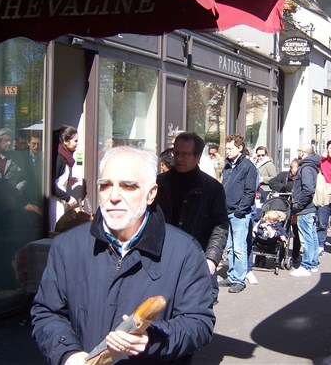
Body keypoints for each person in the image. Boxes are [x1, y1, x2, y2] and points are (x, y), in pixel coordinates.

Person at [31, 146, 215, 365]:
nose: (114, 196)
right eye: (106, 185)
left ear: (151, 194)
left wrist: (151, 339)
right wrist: (68, 353)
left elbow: (198, 323)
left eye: (128, 186)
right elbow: (47, 312)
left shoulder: (185, 252)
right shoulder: (67, 246)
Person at [155, 132, 228, 306]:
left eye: (184, 154)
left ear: (196, 157)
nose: (178, 158)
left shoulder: (212, 188)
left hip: (196, 258)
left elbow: (220, 226)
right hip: (162, 258)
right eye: (176, 153)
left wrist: (211, 258)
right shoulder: (159, 183)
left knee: (194, 310)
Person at [219, 134, 258, 294]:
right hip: (226, 211)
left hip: (239, 213)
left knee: (239, 248)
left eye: (230, 148)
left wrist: (241, 210)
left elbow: (250, 191)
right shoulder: (228, 165)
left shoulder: (248, 166)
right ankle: (232, 275)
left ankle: (239, 279)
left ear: (240, 148)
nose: (227, 151)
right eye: (226, 148)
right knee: (230, 247)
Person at [289, 143, 321, 277]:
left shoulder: (306, 167)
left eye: (298, 150)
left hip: (305, 208)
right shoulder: (313, 165)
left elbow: (308, 189)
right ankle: (313, 263)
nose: (298, 153)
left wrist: (298, 205)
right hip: (310, 207)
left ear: (303, 152)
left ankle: (306, 265)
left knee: (306, 238)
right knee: (312, 236)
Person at [269, 158, 301, 260]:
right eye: (292, 168)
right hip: (284, 206)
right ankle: (280, 251)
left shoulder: (300, 178)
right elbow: (272, 182)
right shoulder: (284, 175)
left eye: (296, 168)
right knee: (282, 228)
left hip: (296, 207)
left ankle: (295, 254)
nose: (293, 170)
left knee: (296, 231)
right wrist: (284, 187)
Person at [51, 125, 79, 229]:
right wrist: (68, 198)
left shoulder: (63, 158)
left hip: (58, 201)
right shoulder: (59, 159)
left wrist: (67, 181)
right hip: (54, 203)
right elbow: (50, 185)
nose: (77, 143)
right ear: (66, 141)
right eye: (75, 141)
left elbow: (57, 180)